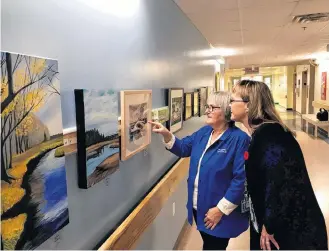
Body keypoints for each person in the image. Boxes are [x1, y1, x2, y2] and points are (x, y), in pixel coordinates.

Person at [230, 80, 328, 250]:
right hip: (281, 225)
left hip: (290, 232)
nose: (229, 105)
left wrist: (269, 225)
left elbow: (277, 183)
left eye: (232, 100)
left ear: (248, 105)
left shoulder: (270, 136)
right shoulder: (264, 133)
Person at [149, 91, 250, 250]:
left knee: (214, 246)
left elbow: (241, 179)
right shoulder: (204, 133)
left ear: (225, 111)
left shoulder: (239, 139)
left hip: (219, 211)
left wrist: (220, 210)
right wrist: (166, 134)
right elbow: (183, 148)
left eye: (212, 107)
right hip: (199, 207)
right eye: (207, 106)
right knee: (209, 244)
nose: (207, 111)